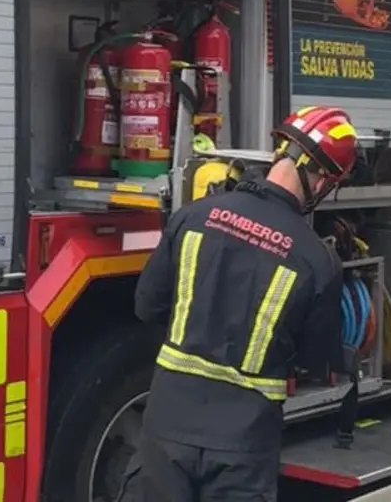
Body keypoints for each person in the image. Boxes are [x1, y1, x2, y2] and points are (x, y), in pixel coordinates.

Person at [121, 105, 360, 502]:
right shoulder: (317, 260)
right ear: (320, 183)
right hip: (243, 445)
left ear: (281, 153)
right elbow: (317, 361)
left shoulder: (194, 217)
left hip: (167, 424)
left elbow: (148, 307)